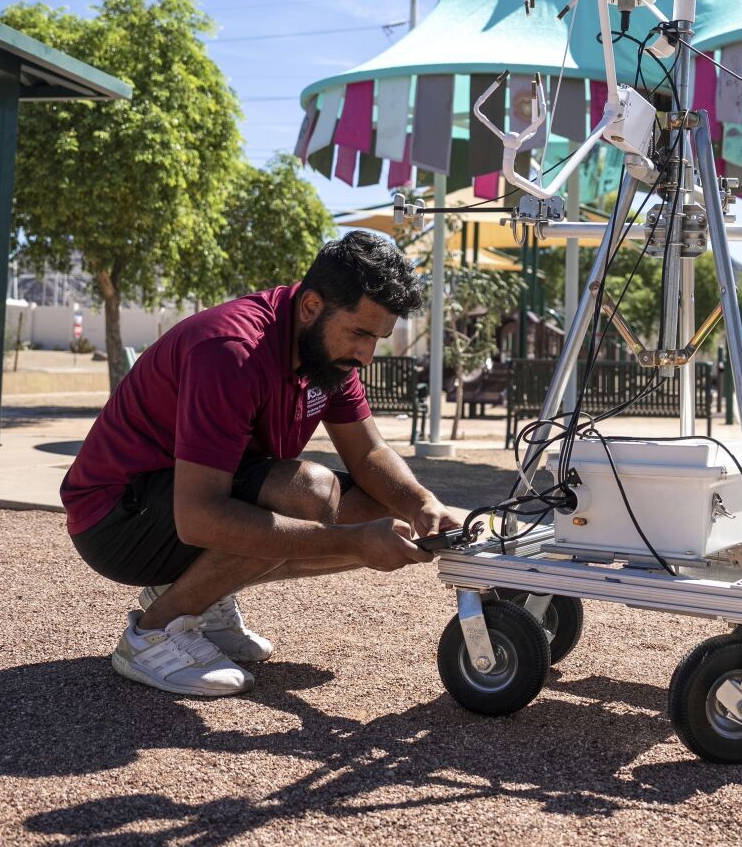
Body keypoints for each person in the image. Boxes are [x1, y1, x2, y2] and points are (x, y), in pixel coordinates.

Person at [61, 232, 452, 697]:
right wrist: (349, 542)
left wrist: (422, 504)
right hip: (115, 522)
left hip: (183, 505)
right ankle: (153, 633)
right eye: (360, 333)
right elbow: (199, 516)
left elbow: (369, 455)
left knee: (382, 515)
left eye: (378, 338)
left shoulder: (327, 355)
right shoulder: (231, 350)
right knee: (310, 493)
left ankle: (202, 599)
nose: (366, 355)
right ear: (311, 307)